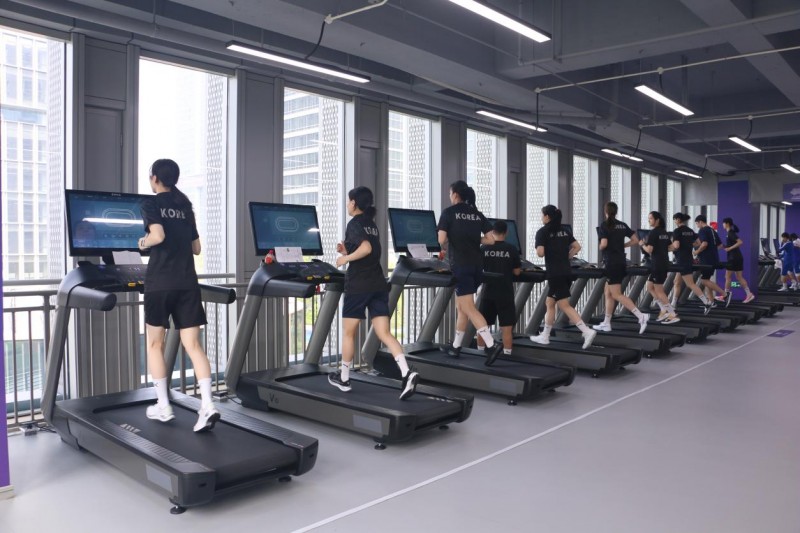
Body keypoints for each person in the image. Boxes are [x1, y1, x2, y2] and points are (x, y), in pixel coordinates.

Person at [138, 158, 220, 432]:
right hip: (187, 283)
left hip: (160, 283)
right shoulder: (185, 206)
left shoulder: (150, 204)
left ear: (154, 178)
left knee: (154, 345)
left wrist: (143, 243)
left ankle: (163, 406)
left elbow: (158, 236)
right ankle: (207, 405)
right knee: (194, 346)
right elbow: (196, 248)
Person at [329, 186, 419, 399]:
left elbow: (366, 249)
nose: (347, 204)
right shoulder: (371, 225)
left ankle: (344, 378)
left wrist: (344, 259)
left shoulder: (354, 223)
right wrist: (347, 249)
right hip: (378, 284)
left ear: (354, 203)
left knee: (348, 333)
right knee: (384, 333)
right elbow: (367, 250)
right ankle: (406, 373)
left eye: (348, 201)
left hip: (358, 286)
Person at [437, 180, 505, 366]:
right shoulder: (477, 214)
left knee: (468, 308)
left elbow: (441, 239)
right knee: (462, 307)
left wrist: (454, 237)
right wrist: (474, 238)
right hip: (476, 266)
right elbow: (491, 240)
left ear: (455, 195)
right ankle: (456, 346)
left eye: (450, 194)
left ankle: (491, 345)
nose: (450, 197)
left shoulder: (449, 212)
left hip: (461, 265)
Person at [529, 205, 597, 349]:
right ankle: (545, 336)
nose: (541, 218)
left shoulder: (542, 232)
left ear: (547, 217)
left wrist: (544, 247)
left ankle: (586, 331)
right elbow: (577, 246)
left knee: (564, 305)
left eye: (542, 215)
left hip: (555, 273)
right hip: (566, 271)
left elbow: (540, 253)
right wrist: (567, 256)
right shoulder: (564, 231)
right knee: (550, 302)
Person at [593, 202, 649, 334]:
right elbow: (635, 240)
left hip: (611, 262)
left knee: (616, 294)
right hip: (620, 261)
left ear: (606, 211)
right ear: (616, 211)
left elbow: (604, 244)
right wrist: (623, 246)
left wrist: (600, 247)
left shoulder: (604, 225)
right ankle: (606, 323)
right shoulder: (622, 225)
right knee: (608, 293)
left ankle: (641, 316)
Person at [475, 220, 521, 362]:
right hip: (505, 292)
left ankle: (479, 354)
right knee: (506, 328)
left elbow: (478, 268)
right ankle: (507, 357)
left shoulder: (484, 248)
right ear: (506, 232)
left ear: (492, 232)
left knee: (483, 326)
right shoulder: (512, 249)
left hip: (488, 292)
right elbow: (517, 272)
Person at [640, 211, 680, 323]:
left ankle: (672, 314)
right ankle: (663, 309)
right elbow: (672, 247)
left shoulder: (653, 233)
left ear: (657, 220)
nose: (649, 220)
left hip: (658, 264)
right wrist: (661, 248)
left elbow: (649, 250)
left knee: (659, 290)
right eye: (649, 218)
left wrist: (642, 244)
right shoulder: (664, 232)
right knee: (650, 286)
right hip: (663, 263)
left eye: (651, 218)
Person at [671, 212, 714, 315]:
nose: (674, 222)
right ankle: (673, 304)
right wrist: (688, 244)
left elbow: (676, 246)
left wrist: (667, 247)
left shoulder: (677, 231)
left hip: (681, 260)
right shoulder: (690, 231)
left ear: (678, 219)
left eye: (674, 220)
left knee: (690, 284)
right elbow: (698, 242)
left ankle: (706, 302)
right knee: (676, 282)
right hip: (687, 258)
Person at [693, 215, 730, 307]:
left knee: (704, 281)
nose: (697, 226)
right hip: (713, 258)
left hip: (706, 260)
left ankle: (725, 294)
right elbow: (720, 245)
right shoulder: (712, 230)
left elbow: (704, 244)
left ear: (700, 222)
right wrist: (711, 250)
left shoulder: (702, 230)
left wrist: (696, 252)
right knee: (707, 280)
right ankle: (711, 301)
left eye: (697, 224)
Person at [720, 218, 755, 303]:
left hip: (733, 258)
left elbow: (740, 242)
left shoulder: (730, 233)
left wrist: (729, 248)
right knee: (739, 277)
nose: (722, 225)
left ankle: (725, 295)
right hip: (737, 257)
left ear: (727, 224)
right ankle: (749, 294)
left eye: (723, 223)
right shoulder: (730, 233)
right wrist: (725, 247)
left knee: (727, 277)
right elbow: (731, 244)